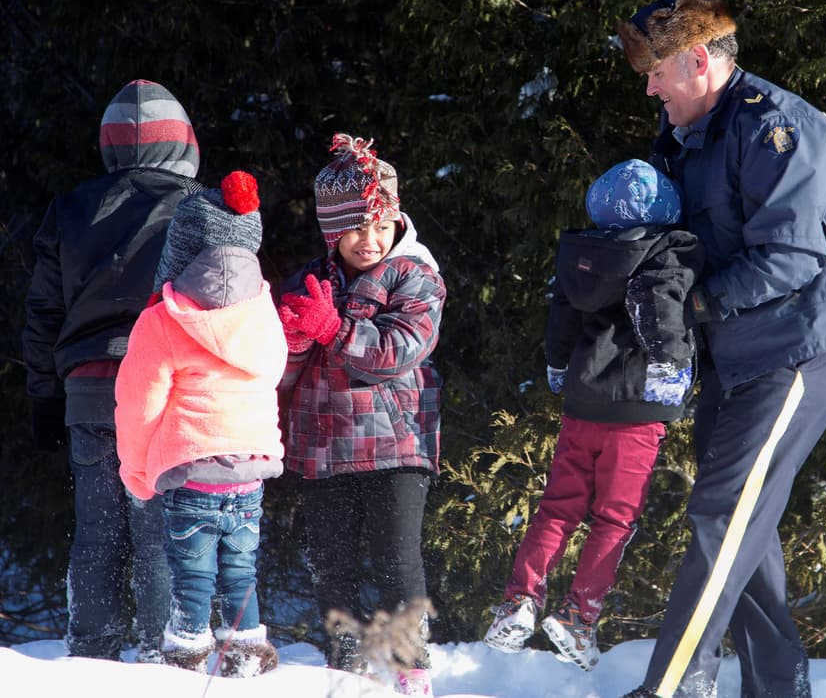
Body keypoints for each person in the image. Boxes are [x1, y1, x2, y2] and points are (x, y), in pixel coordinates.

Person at [614, 0, 826, 698]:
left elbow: (792, 258)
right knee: (746, 527)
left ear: (698, 60)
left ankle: (670, 686)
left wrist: (695, 302)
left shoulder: (777, 127)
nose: (649, 88)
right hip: (733, 353)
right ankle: (778, 686)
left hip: (797, 347)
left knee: (720, 512)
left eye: (656, 71)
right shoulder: (684, 134)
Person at [483, 159, 705, 671]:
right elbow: (660, 312)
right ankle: (579, 616)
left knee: (558, 507)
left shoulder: (582, 257)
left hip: (583, 404)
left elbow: (561, 321)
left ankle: (519, 601)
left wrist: (558, 368)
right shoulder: (663, 254)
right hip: (637, 410)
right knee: (615, 516)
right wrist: (671, 368)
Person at [22, 79, 203, 663]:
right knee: (157, 534)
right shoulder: (198, 208)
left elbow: (44, 313)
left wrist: (45, 397)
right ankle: (159, 655)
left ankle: (90, 652)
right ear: (184, 142)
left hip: (89, 393)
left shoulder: (69, 209)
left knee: (98, 531)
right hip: (165, 390)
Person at [277, 133, 446, 697]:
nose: (371, 240)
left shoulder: (414, 275)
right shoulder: (312, 277)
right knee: (331, 564)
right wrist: (296, 338)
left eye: (381, 224)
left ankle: (410, 671)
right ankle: (342, 671)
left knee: (397, 562)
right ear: (332, 230)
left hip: (396, 443)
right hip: (323, 447)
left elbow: (400, 349)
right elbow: (280, 371)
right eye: (356, 228)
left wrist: (334, 329)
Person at [114, 170, 286, 676]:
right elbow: (272, 371)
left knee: (192, 575)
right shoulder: (262, 311)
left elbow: (138, 402)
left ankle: (187, 654)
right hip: (251, 469)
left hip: (192, 471)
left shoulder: (164, 318)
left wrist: (137, 471)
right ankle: (248, 651)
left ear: (181, 249)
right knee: (240, 569)